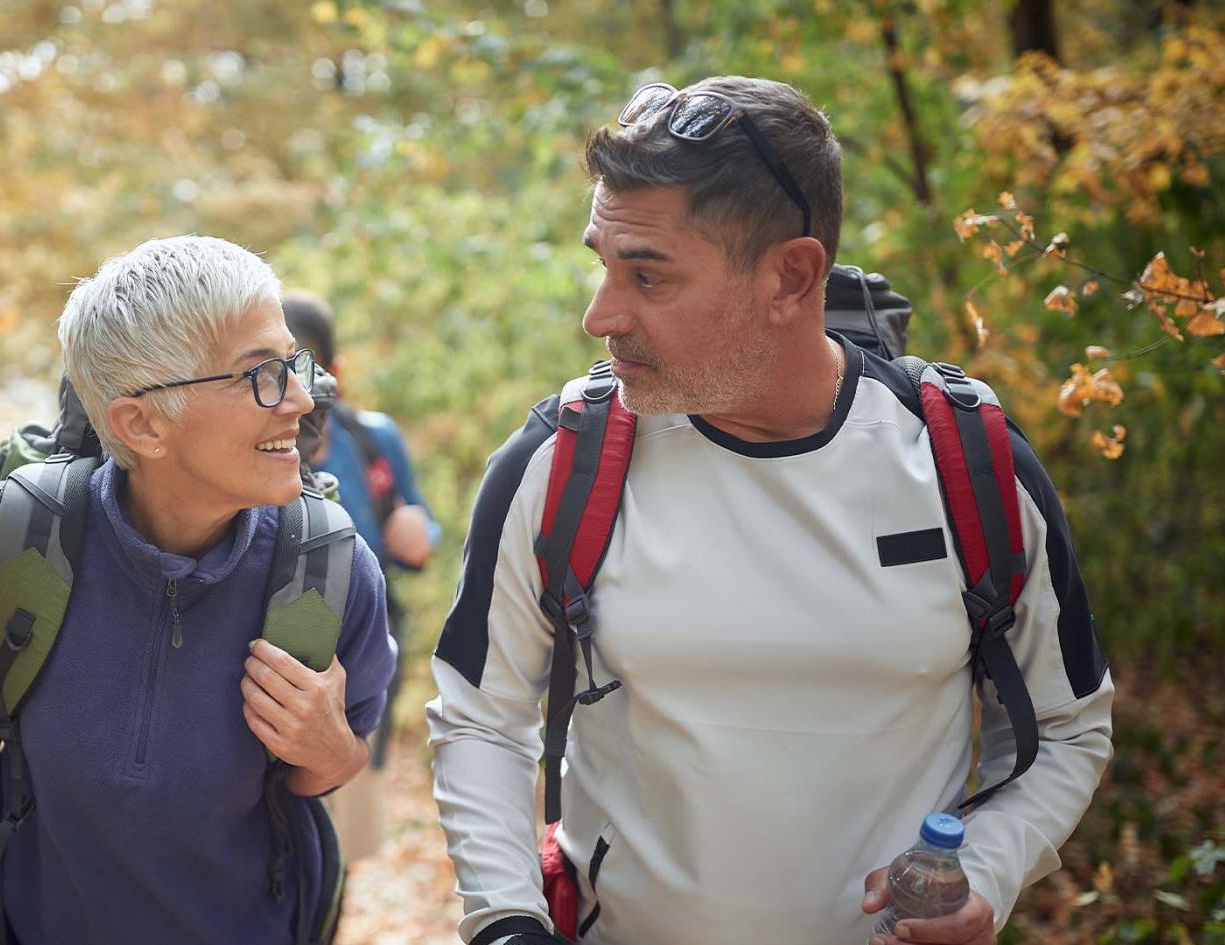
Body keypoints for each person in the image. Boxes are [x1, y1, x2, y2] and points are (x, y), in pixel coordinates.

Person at [426, 75, 1114, 945]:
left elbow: (1067, 723)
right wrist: (505, 922)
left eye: (648, 275)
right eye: (604, 262)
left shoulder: (962, 465)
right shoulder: (562, 463)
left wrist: (988, 864)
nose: (600, 315)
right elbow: (481, 717)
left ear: (791, 275)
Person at [0, 236, 397, 945]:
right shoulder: (2, 543)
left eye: (293, 363)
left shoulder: (329, 570)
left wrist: (331, 747)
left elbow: (336, 765)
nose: (302, 397)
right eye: (260, 374)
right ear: (141, 423)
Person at [282, 291, 442, 862]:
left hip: (364, 669)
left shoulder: (373, 440)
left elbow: (415, 528)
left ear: (334, 371)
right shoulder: (248, 450)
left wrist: (420, 533)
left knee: (343, 845)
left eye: (299, 365)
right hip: (270, 673)